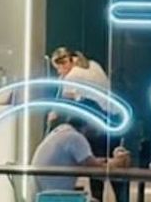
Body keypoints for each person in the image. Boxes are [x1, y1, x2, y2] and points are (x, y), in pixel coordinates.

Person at [49, 47, 124, 202]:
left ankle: (97, 199)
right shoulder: (93, 65)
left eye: (58, 68)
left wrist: (53, 115)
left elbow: (64, 103)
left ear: (65, 63)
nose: (58, 72)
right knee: (115, 169)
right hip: (114, 119)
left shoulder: (72, 76)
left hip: (97, 124)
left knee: (95, 168)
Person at [30, 98, 131, 198]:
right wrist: (118, 161)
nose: (100, 127)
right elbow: (97, 170)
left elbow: (91, 162)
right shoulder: (75, 138)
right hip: (56, 198)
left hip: (45, 196)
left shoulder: (63, 131)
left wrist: (109, 161)